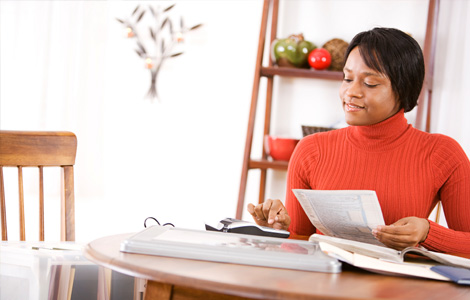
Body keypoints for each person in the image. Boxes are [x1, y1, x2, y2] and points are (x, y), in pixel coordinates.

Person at [247, 27, 470, 254]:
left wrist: (427, 232)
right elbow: (300, 242)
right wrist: (280, 228)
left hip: (399, 288)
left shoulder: (442, 153)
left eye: (370, 83)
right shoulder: (310, 150)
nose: (351, 92)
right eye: (347, 78)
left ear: (404, 89)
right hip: (323, 283)